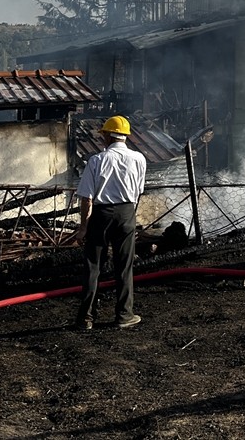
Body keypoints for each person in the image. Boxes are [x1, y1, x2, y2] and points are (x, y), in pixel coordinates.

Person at [73, 115, 148, 330]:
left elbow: (86, 197)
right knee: (124, 266)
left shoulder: (96, 161)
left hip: (101, 214)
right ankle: (124, 315)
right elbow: (138, 191)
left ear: (106, 135)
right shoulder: (139, 159)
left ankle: (86, 318)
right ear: (125, 136)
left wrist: (83, 228)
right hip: (127, 213)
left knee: (93, 267)